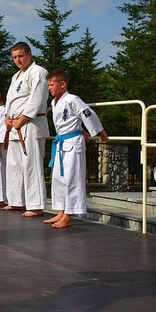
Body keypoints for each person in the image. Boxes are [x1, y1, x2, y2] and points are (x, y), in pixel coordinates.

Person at [43, 69, 108, 229]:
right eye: (48, 85)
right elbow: (72, 120)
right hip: (61, 143)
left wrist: (101, 133)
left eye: (51, 85)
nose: (49, 88)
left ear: (63, 84)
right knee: (58, 178)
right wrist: (83, 131)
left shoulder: (72, 99)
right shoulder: (54, 102)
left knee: (72, 179)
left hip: (73, 144)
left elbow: (87, 114)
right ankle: (60, 211)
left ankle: (68, 215)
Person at [4, 42, 49, 216]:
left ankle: (36, 205)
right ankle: (17, 201)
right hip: (15, 125)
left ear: (30, 54)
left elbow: (37, 99)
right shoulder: (16, 76)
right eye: (14, 57)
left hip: (31, 124)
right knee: (15, 165)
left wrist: (22, 119)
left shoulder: (38, 72)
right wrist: (8, 117)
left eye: (21, 56)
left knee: (32, 165)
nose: (18, 60)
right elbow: (12, 100)